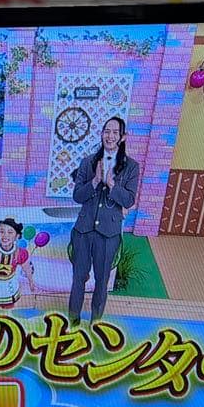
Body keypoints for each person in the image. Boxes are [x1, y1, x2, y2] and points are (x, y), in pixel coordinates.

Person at [68, 116, 139, 323]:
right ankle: (72, 321)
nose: (110, 136)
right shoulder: (88, 162)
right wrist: (95, 181)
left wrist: (111, 185)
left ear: (123, 137)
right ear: (101, 134)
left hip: (109, 233)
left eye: (115, 132)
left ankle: (95, 322)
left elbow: (129, 200)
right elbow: (77, 196)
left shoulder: (131, 167)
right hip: (83, 230)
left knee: (102, 281)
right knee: (78, 278)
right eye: (107, 131)